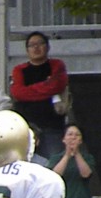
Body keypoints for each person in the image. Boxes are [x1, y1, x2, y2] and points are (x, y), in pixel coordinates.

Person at [10, 31, 68, 159]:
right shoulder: (19, 70)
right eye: (32, 45)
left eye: (40, 43)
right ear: (27, 50)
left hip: (53, 126)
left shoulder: (56, 65)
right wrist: (46, 88)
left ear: (47, 47)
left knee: (55, 162)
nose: (36, 48)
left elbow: (57, 85)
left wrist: (29, 91)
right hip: (26, 127)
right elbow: (18, 93)